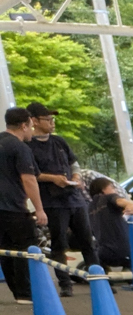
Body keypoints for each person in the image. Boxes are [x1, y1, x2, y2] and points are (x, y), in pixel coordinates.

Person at [27, 104, 92, 297]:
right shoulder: (28, 146)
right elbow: (30, 175)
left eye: (52, 119)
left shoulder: (60, 142)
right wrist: (53, 178)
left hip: (74, 198)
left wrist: (77, 177)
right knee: (59, 243)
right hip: (52, 201)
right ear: (34, 121)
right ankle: (65, 283)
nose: (52, 123)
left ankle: (99, 278)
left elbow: (74, 163)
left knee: (88, 240)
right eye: (47, 119)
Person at [0, 109, 45, 304]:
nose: (32, 130)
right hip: (13, 207)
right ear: (23, 125)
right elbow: (29, 179)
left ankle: (19, 292)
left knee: (5, 251)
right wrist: (39, 208)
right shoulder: (20, 148)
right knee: (26, 248)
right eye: (31, 126)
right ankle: (26, 293)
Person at [87, 176, 133, 270]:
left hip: (102, 253)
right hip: (124, 250)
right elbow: (120, 201)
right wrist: (130, 205)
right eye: (112, 187)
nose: (115, 190)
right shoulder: (109, 197)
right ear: (104, 190)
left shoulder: (89, 207)